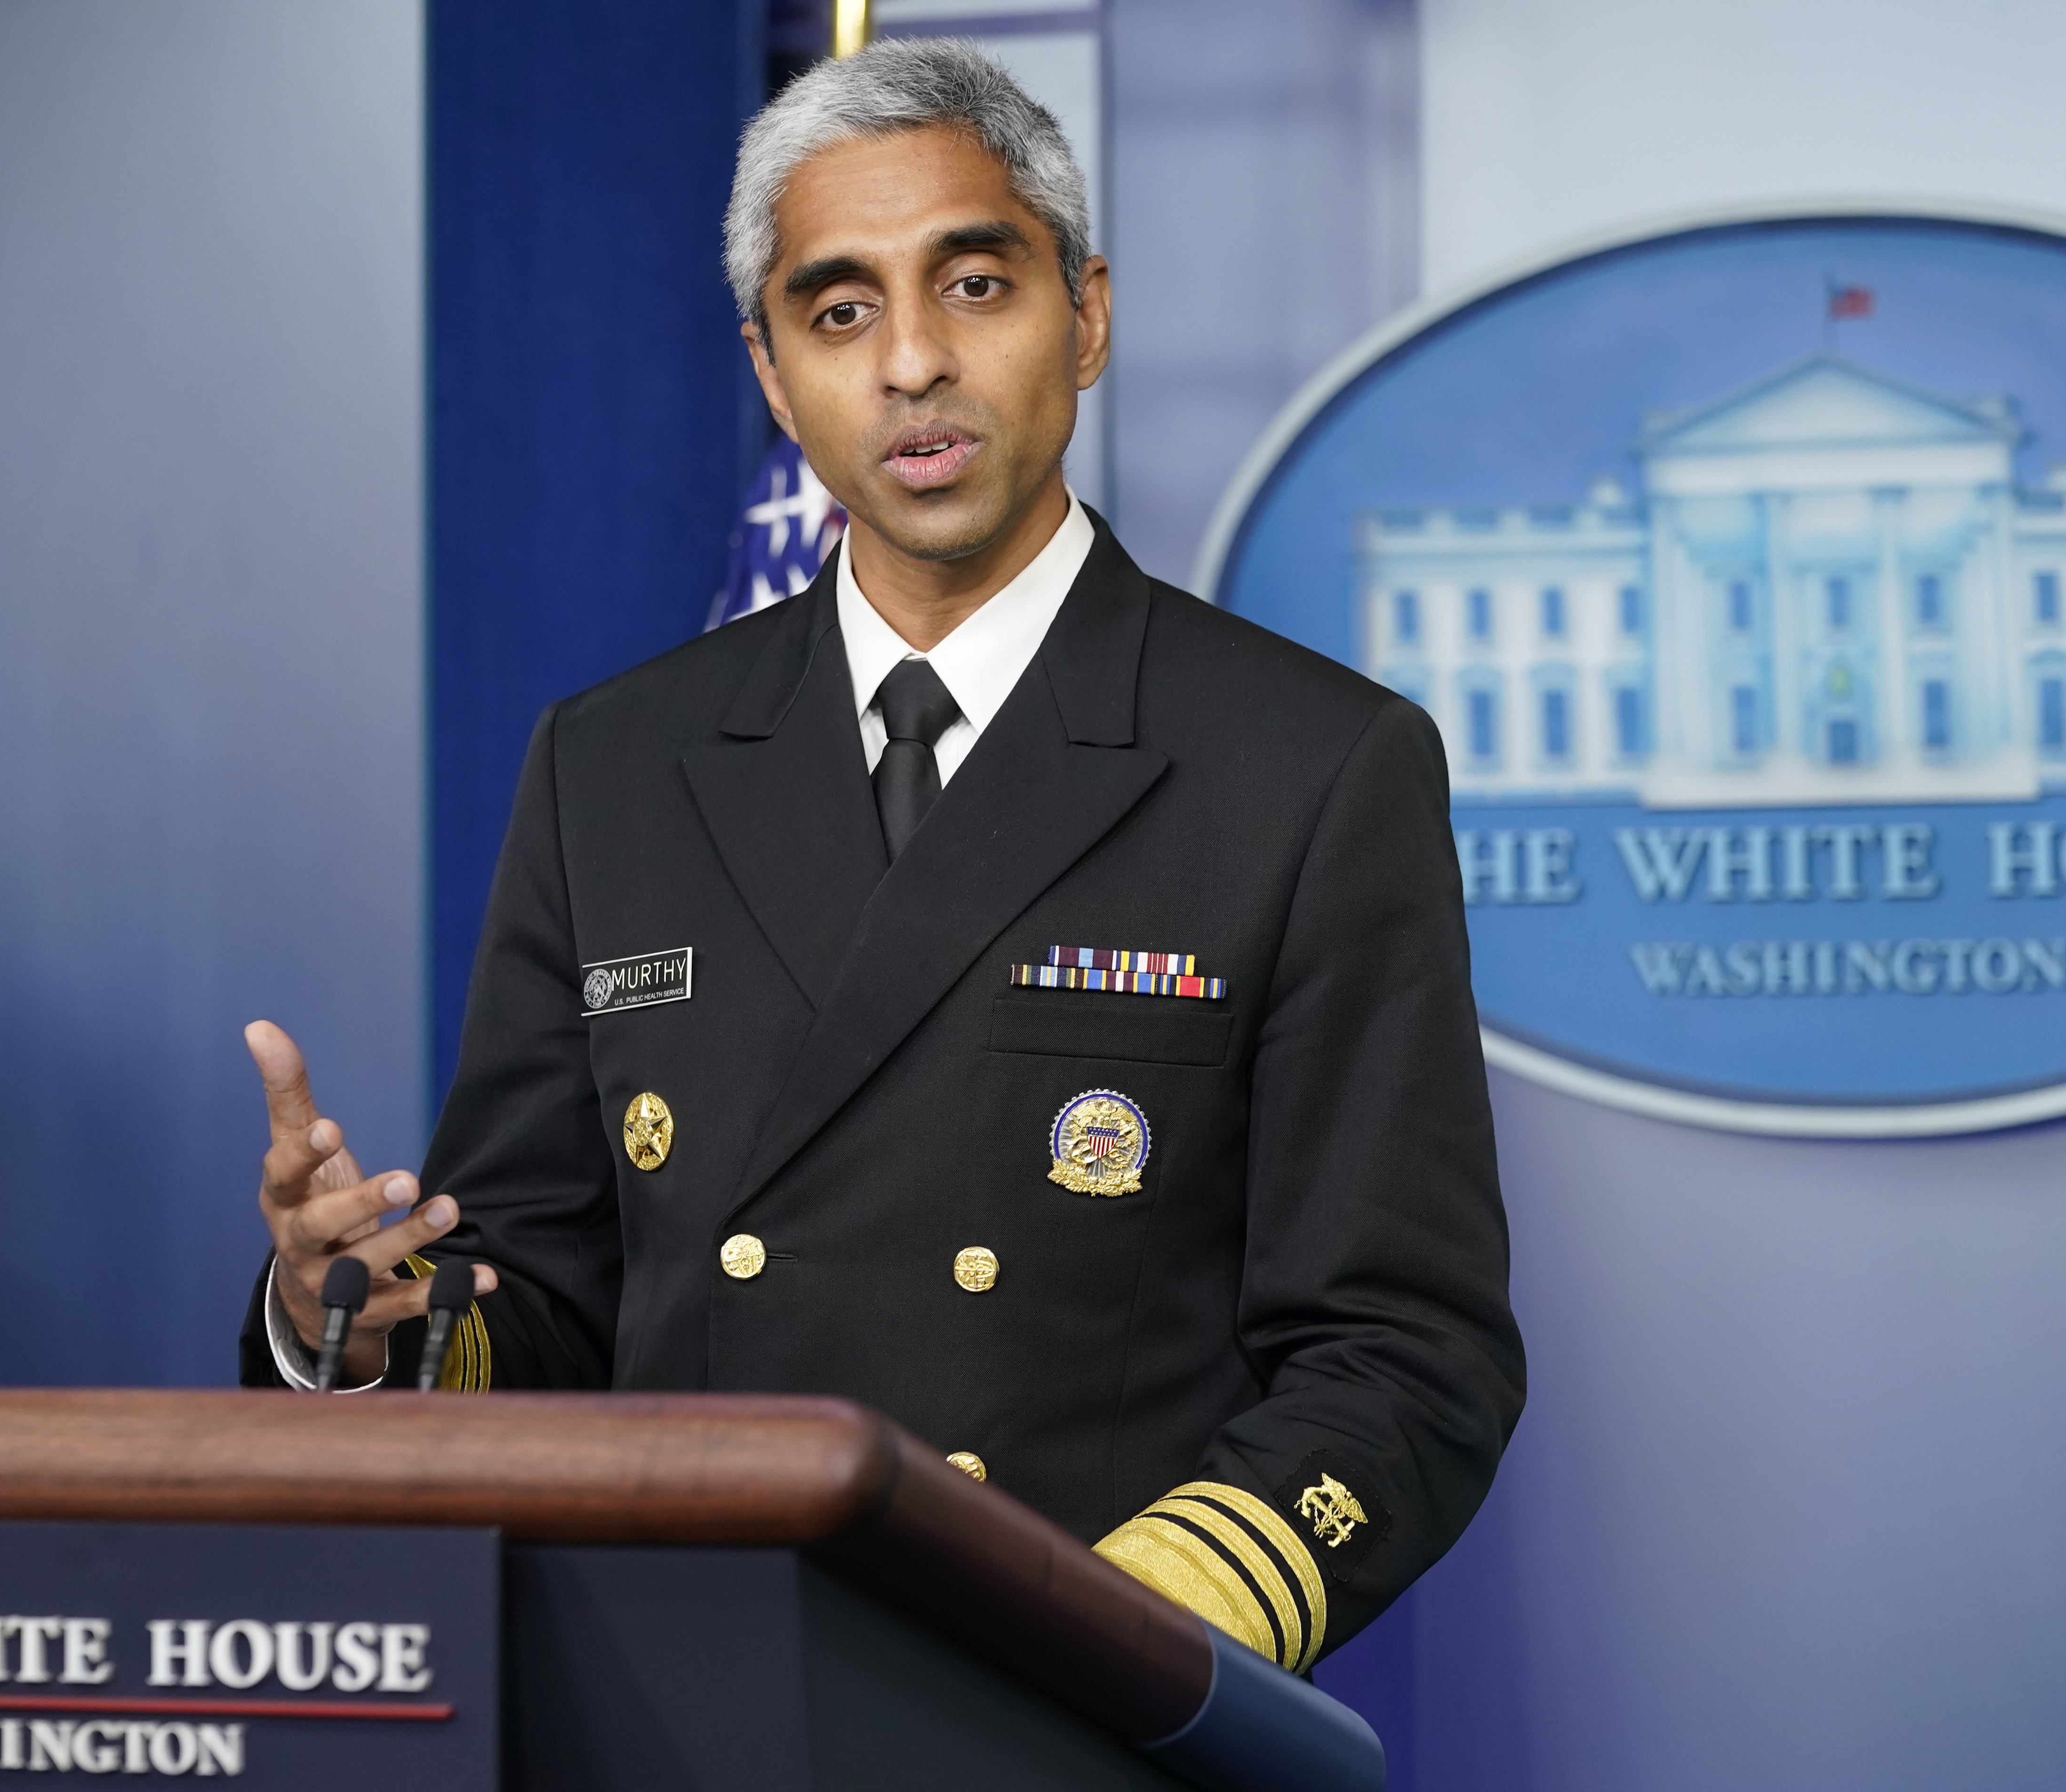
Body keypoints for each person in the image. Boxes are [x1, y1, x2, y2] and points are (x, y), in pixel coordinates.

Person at [241, 39, 1521, 1674]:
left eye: (975, 285)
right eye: (839, 312)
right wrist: (361, 1317)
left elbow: (1405, 1354)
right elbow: (550, 1304)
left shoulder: (1313, 768)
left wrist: (1118, 1633)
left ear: (1091, 316)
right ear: (775, 379)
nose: (911, 362)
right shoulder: (614, 764)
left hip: (1062, 1716)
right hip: (679, 1696)